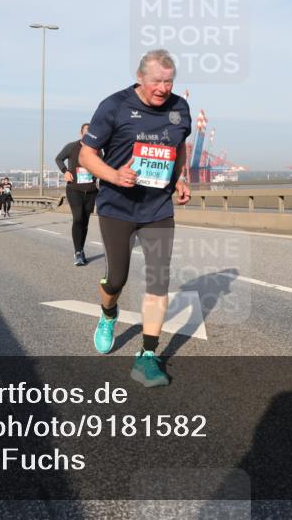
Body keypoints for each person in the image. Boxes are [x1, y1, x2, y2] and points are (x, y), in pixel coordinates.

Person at [79, 49, 191, 388]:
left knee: (158, 280)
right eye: (157, 81)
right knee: (117, 279)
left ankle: (147, 355)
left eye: (169, 82)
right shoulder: (114, 106)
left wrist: (180, 177)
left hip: (157, 209)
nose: (163, 89)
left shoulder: (179, 108)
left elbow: (179, 145)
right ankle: (108, 313)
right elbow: (86, 154)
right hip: (117, 206)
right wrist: (114, 176)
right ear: (140, 77)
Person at [56, 123, 99, 266]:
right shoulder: (72, 146)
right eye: (86, 132)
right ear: (81, 133)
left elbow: (101, 166)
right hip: (74, 189)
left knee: (85, 222)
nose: (88, 134)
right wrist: (65, 171)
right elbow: (59, 158)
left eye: (90, 132)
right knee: (78, 218)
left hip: (91, 190)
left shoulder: (97, 149)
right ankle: (78, 252)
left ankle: (81, 249)